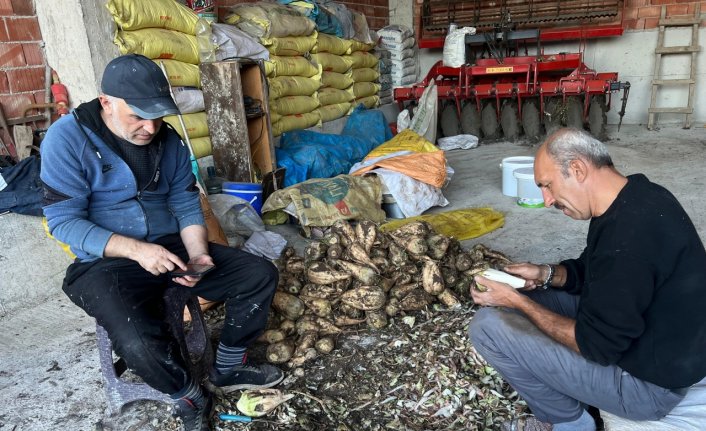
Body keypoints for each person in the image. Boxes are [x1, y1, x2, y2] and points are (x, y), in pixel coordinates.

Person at [40, 54, 283, 431]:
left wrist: (199, 254)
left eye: (157, 115)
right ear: (106, 102)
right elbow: (63, 222)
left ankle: (228, 368)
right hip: (106, 260)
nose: (150, 127)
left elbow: (185, 201)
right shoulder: (66, 138)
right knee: (137, 341)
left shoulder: (167, 139)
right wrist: (137, 250)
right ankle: (187, 393)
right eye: (137, 115)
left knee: (257, 274)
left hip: (171, 245)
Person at [469, 128, 706, 431]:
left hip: (649, 388)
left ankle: (570, 422)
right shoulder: (638, 196)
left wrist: (516, 300)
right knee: (523, 302)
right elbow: (595, 270)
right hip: (657, 341)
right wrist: (545, 274)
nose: (546, 200)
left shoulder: (630, 240)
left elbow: (597, 346)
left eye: (548, 186)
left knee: (487, 327)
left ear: (578, 169)